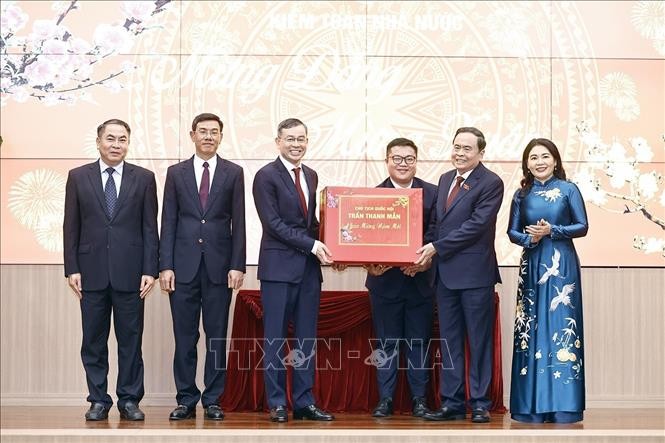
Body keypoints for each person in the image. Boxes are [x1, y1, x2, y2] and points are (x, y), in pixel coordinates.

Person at [63, 118, 158, 421]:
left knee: (131, 341)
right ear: (98, 141)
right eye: (111, 139)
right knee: (93, 340)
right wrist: (72, 268)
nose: (116, 145)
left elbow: (149, 228)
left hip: (132, 273)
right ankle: (98, 400)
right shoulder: (78, 177)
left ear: (128, 143)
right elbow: (71, 227)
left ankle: (129, 399)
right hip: (90, 273)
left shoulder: (144, 178)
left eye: (122, 140)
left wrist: (150, 269)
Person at [159, 113, 246, 421]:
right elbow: (168, 220)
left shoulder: (234, 172)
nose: (209, 136)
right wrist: (165, 265)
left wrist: (238, 264)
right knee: (184, 337)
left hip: (220, 269)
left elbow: (239, 221)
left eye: (215, 132)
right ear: (192, 134)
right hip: (181, 268)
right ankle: (185, 398)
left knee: (216, 337)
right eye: (203, 131)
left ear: (221, 136)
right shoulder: (176, 172)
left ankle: (213, 399)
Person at [415, 127, 503, 423]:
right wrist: (421, 253)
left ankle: (479, 402)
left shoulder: (491, 182)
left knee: (478, 341)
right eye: (456, 147)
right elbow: (437, 223)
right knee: (449, 341)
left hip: (475, 274)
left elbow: (476, 226)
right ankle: (451, 403)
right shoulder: (445, 179)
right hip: (444, 275)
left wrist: (436, 247)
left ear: (481, 153)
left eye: (467, 148)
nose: (460, 153)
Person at [252, 118, 335, 423]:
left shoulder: (310, 175)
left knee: (306, 340)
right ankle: (276, 403)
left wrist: (334, 243)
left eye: (301, 139)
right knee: (274, 339)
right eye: (290, 139)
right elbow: (273, 225)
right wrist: (314, 245)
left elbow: (309, 223)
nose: (296, 144)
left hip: (309, 272)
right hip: (277, 270)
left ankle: (303, 401)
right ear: (278, 142)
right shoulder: (265, 176)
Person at [507, 138, 588, 423]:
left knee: (560, 323)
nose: (539, 162)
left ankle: (563, 406)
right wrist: (531, 238)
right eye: (533, 157)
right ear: (526, 163)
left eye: (545, 156)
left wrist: (552, 230)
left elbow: (582, 227)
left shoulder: (569, 189)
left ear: (555, 160)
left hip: (561, 263)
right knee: (530, 324)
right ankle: (529, 406)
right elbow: (512, 233)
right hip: (532, 262)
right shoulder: (521, 194)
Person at [364, 138, 437, 418]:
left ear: (416, 161)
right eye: (397, 158)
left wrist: (425, 260)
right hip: (384, 283)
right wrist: (369, 263)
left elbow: (437, 232)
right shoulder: (371, 196)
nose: (403, 164)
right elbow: (364, 238)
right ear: (387, 161)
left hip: (421, 282)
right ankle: (385, 399)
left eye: (409, 159)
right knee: (386, 344)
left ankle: (419, 399)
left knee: (419, 343)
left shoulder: (433, 193)